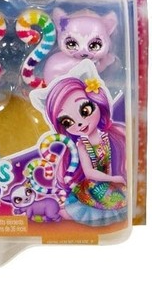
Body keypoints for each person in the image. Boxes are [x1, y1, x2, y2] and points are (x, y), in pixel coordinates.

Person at [30, 60, 127, 226]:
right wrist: (111, 178)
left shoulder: (108, 136)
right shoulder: (82, 145)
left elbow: (111, 161)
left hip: (109, 182)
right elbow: (89, 173)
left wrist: (114, 178)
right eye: (67, 122)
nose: (80, 123)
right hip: (95, 185)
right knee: (93, 201)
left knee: (119, 201)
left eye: (85, 110)